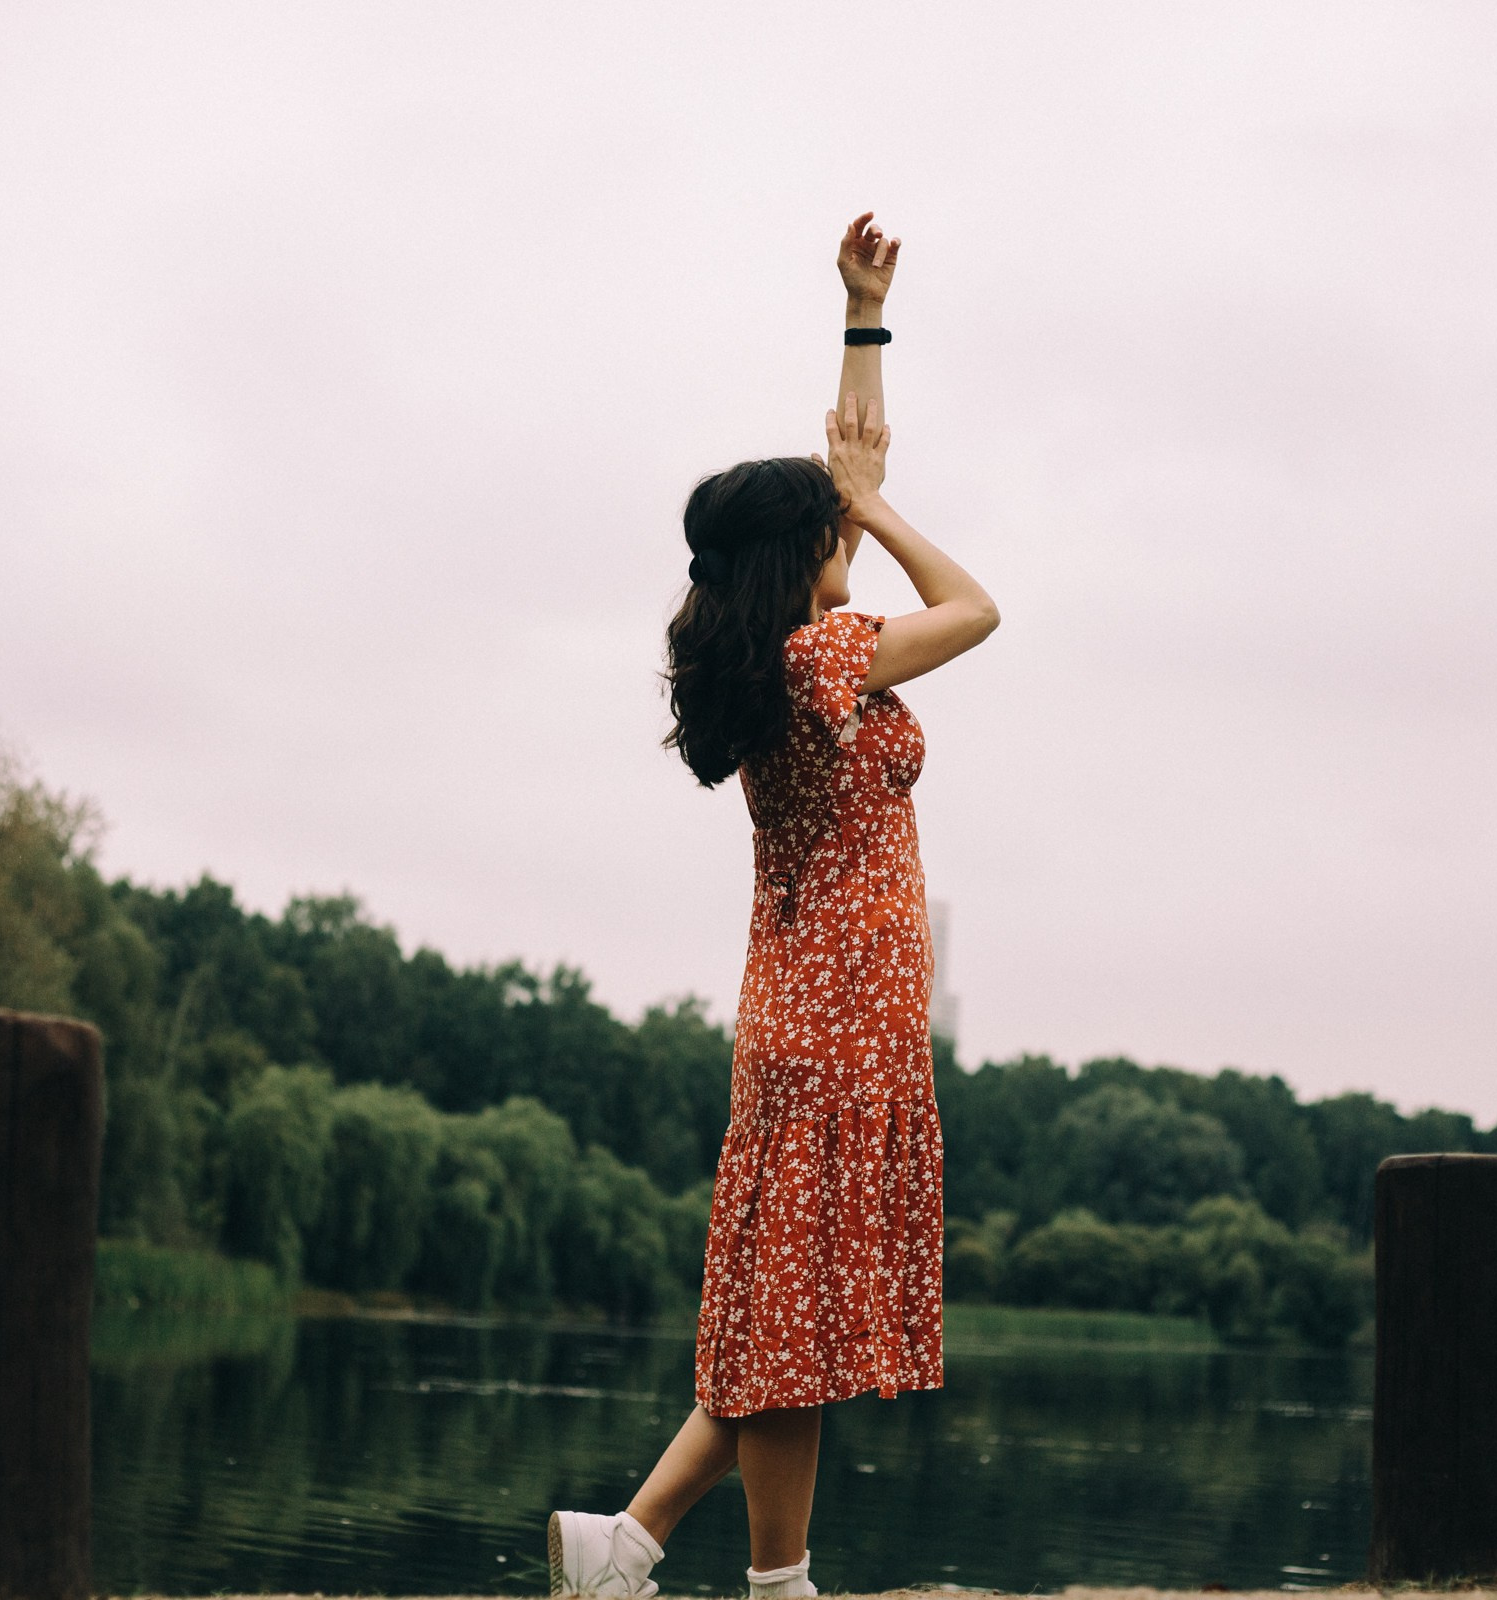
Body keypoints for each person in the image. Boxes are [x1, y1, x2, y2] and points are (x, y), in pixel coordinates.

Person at [548, 213, 1000, 1599]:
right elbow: (975, 608)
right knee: (792, 1334)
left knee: (777, 1318)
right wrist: (880, 513)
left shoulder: (772, 658)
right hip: (840, 1026)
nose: (846, 526)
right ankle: (777, 1587)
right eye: (832, 529)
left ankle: (624, 1547)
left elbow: (845, 470)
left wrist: (864, 320)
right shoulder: (822, 660)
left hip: (811, 1018)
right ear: (802, 554)